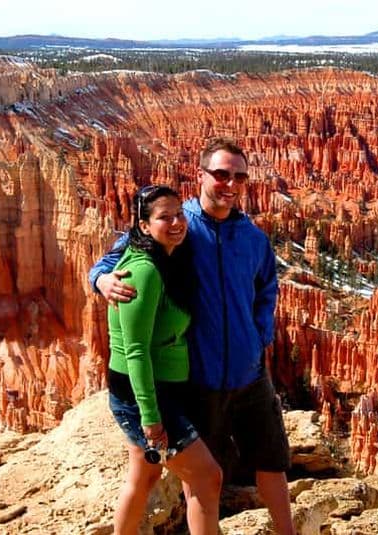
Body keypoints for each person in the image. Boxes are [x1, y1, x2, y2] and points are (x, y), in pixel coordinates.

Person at [90, 139, 294, 535]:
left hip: (250, 373)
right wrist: (99, 278)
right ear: (200, 175)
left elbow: (267, 289)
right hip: (198, 380)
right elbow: (119, 256)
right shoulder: (177, 225)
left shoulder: (252, 238)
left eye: (238, 176)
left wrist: (259, 336)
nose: (229, 183)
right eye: (220, 174)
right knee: (203, 480)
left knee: (272, 462)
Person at [106, 184, 222, 535]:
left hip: (162, 388)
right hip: (144, 393)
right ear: (143, 226)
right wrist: (151, 417)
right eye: (163, 217)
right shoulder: (143, 271)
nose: (175, 222)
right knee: (208, 477)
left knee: (144, 476)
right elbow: (135, 350)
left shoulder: (167, 260)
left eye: (178, 214)